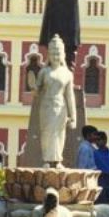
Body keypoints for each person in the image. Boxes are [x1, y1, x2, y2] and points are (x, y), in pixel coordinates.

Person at [34, 34, 76, 168]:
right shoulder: (44, 72)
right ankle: (46, 160)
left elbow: (70, 96)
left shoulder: (67, 74)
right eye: (52, 53)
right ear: (48, 55)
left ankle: (58, 160)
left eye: (58, 53)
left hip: (61, 108)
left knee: (59, 134)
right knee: (46, 133)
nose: (55, 56)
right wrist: (34, 89)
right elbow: (37, 89)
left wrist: (73, 116)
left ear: (63, 55)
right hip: (46, 106)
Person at [94, 131, 109, 203]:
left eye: (99, 139)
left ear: (105, 140)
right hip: (100, 182)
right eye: (95, 140)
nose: (96, 142)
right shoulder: (94, 153)